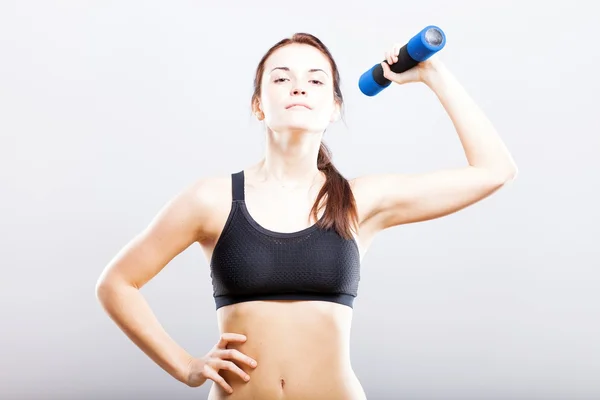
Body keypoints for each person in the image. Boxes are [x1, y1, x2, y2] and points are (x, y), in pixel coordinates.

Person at [95, 32, 517, 399]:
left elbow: (494, 170)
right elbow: (116, 283)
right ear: (259, 105)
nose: (299, 87)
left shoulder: (358, 201)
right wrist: (184, 366)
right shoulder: (212, 199)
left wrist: (433, 75)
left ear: (333, 107)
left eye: (315, 80)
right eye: (281, 78)